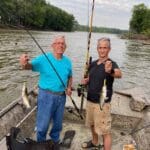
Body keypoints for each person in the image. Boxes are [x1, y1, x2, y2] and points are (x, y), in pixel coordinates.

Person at [19, 36, 72, 146]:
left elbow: (70, 76)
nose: (60, 45)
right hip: (46, 96)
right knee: (42, 126)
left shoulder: (68, 62)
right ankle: (41, 145)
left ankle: (55, 142)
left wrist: (69, 87)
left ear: (65, 46)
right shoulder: (44, 58)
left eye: (62, 43)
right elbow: (29, 66)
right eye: (57, 43)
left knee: (57, 125)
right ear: (52, 46)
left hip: (61, 97)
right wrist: (24, 63)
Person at [81, 37, 122, 150]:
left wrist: (110, 71)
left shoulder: (111, 63)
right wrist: (86, 81)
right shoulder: (93, 64)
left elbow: (119, 74)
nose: (102, 50)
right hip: (90, 101)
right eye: (100, 47)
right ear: (97, 48)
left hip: (102, 104)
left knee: (105, 131)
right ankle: (94, 142)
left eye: (105, 48)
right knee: (92, 125)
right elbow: (90, 78)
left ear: (109, 49)